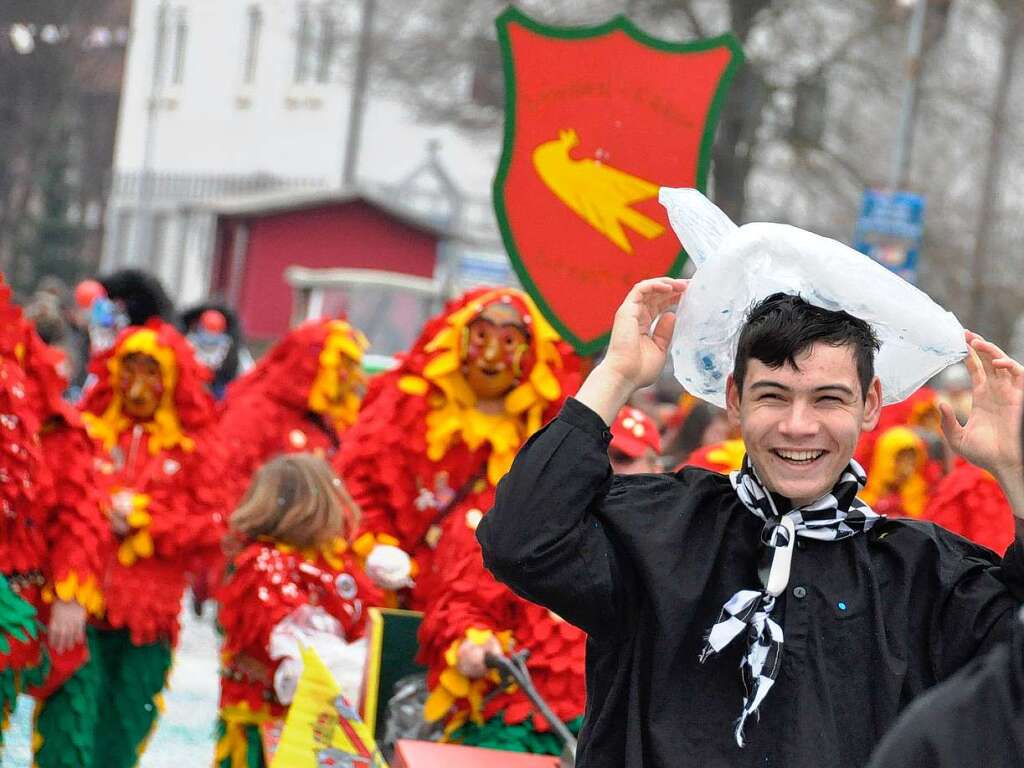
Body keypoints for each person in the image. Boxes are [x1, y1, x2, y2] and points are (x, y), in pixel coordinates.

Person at [478, 278, 1024, 768]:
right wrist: (615, 375)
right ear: (735, 401)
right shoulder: (661, 526)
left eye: (828, 399)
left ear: (869, 405)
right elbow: (521, 541)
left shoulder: (922, 571)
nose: (798, 426)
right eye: (773, 396)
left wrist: (1016, 472)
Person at [50, 320, 229, 768]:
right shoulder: (86, 434)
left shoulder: (195, 449)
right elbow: (55, 504)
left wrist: (149, 521)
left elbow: (215, 525)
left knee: (119, 745)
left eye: (153, 372)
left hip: (148, 624)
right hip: (80, 614)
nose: (139, 385)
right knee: (64, 739)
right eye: (130, 370)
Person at [333, 288, 580, 608]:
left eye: (508, 342)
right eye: (480, 336)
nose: (491, 355)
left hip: (478, 611)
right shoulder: (405, 403)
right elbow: (355, 480)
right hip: (386, 594)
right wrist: (377, 545)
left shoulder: (544, 430)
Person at [215, 454, 374, 768]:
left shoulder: (340, 566)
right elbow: (282, 638)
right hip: (266, 725)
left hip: (324, 726)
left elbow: (365, 627)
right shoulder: (261, 563)